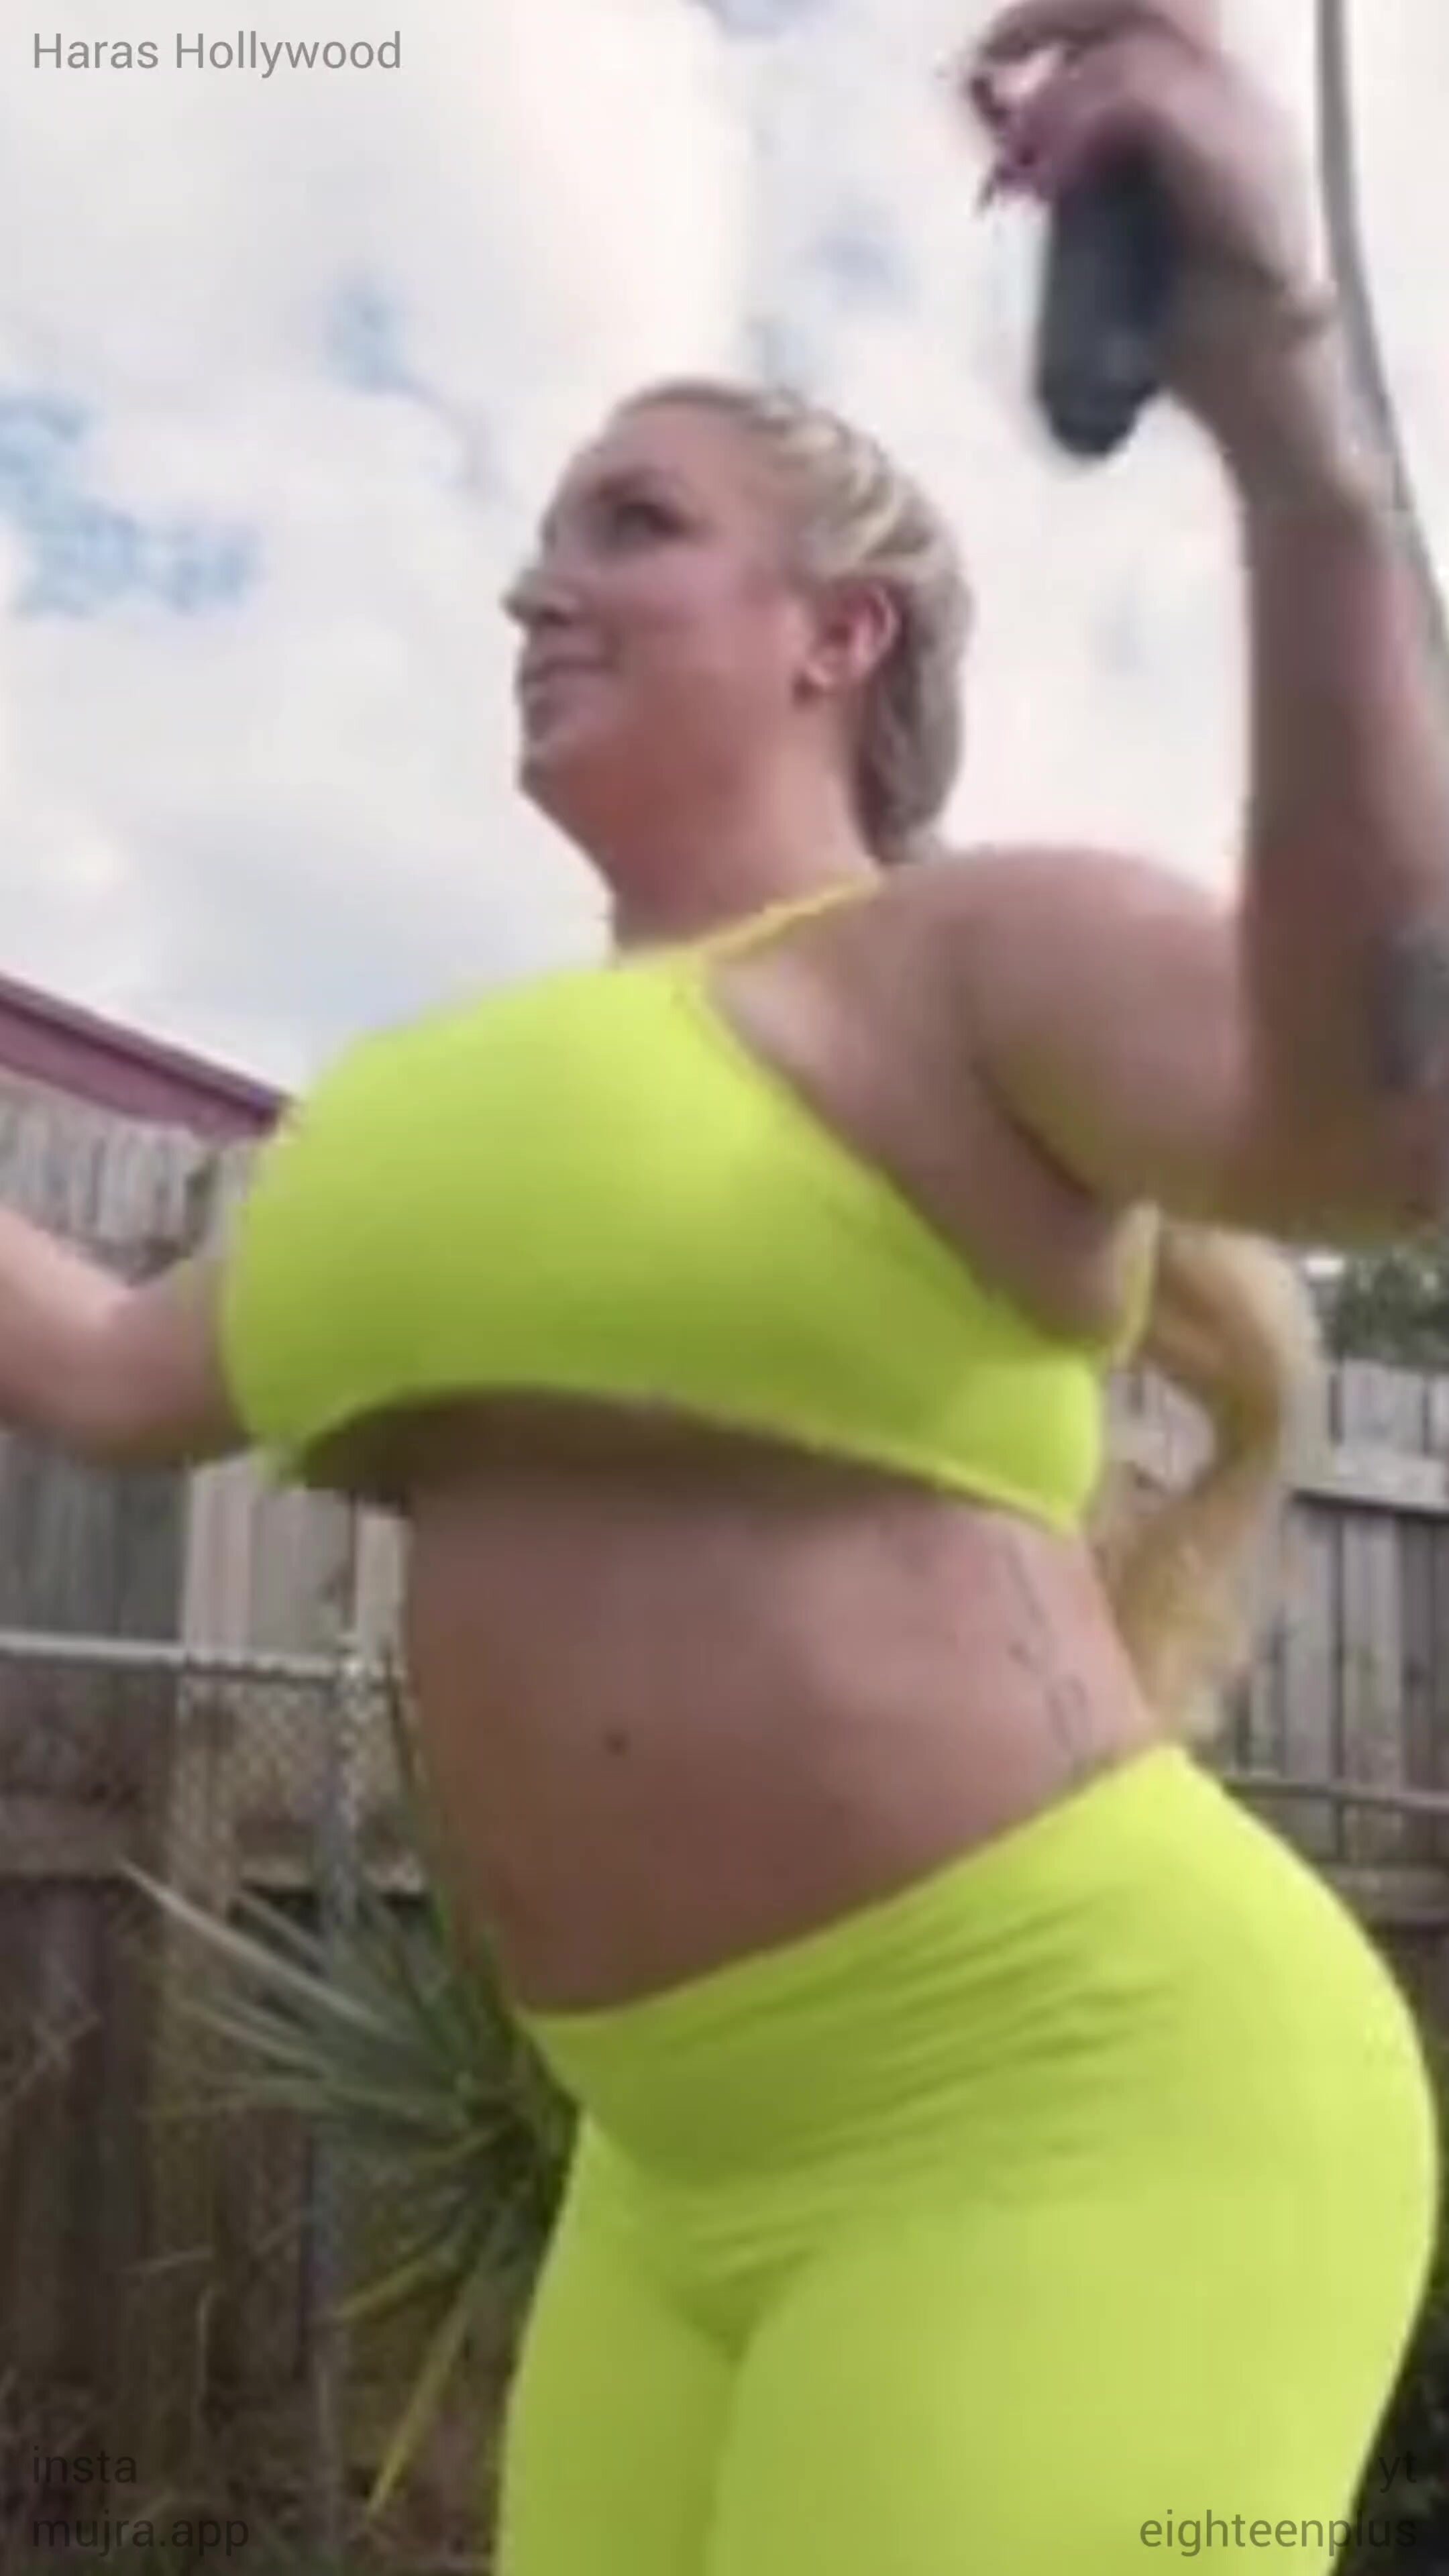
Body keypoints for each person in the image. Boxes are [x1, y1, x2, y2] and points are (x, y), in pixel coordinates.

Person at [1, 1, 1445, 2565]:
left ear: (838, 633)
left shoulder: (958, 964)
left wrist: (1288, 424)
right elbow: (110, 1372)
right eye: (543, 536)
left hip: (1068, 2107)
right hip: (665, 2173)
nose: (531, 583)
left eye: (631, 524)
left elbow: (1382, 1116)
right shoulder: (420, 1112)